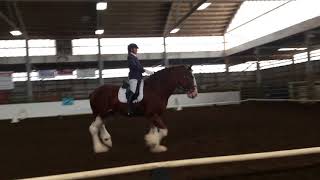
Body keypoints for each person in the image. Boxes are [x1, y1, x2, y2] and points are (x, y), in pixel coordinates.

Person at [127, 43, 154, 115]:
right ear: (131, 49)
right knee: (133, 91)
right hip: (134, 78)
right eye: (135, 48)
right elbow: (134, 67)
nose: (136, 50)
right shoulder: (130, 57)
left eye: (136, 48)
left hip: (139, 77)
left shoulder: (135, 57)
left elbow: (139, 67)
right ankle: (129, 109)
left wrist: (144, 70)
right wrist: (145, 70)